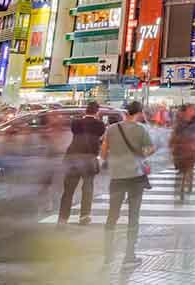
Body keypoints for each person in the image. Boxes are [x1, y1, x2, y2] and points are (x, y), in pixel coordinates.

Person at [101, 101, 155, 267]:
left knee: (112, 214)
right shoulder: (141, 129)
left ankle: (108, 254)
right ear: (139, 113)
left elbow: (103, 152)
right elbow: (149, 150)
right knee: (133, 216)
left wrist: (111, 160)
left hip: (116, 177)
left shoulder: (111, 129)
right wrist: (143, 153)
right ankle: (129, 256)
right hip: (135, 177)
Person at [57, 101, 106, 225]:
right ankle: (84, 216)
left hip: (73, 157)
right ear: (97, 112)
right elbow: (100, 136)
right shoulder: (100, 125)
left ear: (86, 111)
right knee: (88, 188)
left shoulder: (76, 123)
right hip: (89, 158)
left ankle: (63, 218)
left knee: (68, 190)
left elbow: (74, 132)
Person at [169, 104, 195, 202]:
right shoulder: (180, 120)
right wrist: (172, 144)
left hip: (191, 148)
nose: (190, 112)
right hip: (180, 148)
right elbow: (174, 133)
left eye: (192, 110)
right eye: (189, 110)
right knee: (180, 169)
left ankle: (188, 184)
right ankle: (180, 187)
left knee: (189, 168)